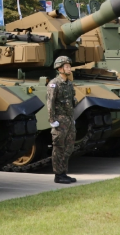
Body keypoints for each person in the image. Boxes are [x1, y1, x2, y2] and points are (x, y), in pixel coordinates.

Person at [47, 55, 77, 185]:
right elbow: (50, 103)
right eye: (67, 66)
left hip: (69, 120)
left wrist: (72, 118)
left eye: (69, 66)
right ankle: (58, 175)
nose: (69, 68)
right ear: (60, 69)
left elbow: (71, 101)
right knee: (59, 148)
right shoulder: (54, 84)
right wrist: (52, 120)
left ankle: (64, 173)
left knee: (68, 147)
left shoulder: (69, 84)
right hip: (59, 120)